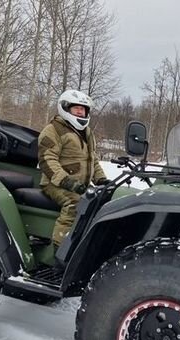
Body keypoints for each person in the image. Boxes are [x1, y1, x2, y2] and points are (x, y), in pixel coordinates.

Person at [38, 89, 109, 247]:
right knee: (75, 204)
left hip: (80, 185)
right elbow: (47, 160)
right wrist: (67, 181)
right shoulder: (53, 130)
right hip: (55, 183)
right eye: (76, 108)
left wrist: (101, 179)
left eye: (83, 109)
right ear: (65, 108)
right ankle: (60, 248)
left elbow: (93, 159)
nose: (80, 112)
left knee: (100, 203)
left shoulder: (87, 133)